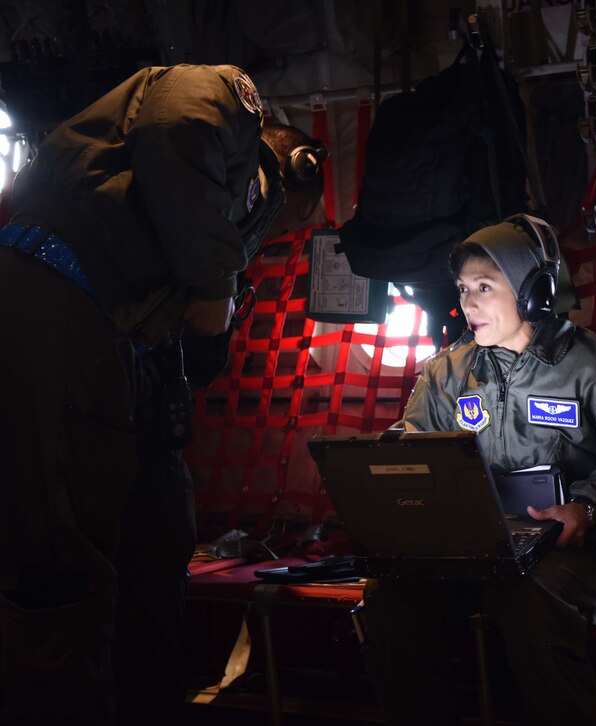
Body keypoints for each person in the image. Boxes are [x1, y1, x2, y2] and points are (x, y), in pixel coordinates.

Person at [0, 64, 326, 725]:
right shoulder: (212, 95)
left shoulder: (176, 227)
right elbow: (177, 130)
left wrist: (199, 309)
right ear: (283, 157)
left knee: (137, 542)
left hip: (92, 327)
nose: (259, 223)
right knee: (61, 560)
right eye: (269, 204)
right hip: (52, 300)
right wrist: (216, 284)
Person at [362, 214, 596, 726]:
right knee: (389, 599)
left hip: (570, 554)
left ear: (533, 292)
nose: (468, 303)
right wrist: (389, 462)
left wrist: (587, 508)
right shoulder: (448, 370)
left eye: (485, 288)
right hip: (469, 549)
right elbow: (416, 445)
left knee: (528, 598)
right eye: (464, 288)